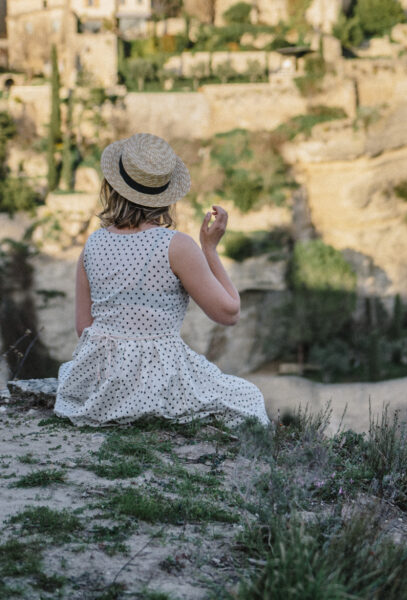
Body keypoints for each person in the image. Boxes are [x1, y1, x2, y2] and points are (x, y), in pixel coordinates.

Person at [54, 132, 270, 427]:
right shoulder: (176, 246)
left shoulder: (93, 244)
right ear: (166, 195)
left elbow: (84, 328)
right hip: (160, 382)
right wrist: (209, 249)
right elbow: (229, 312)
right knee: (249, 397)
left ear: (113, 186)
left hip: (102, 387)